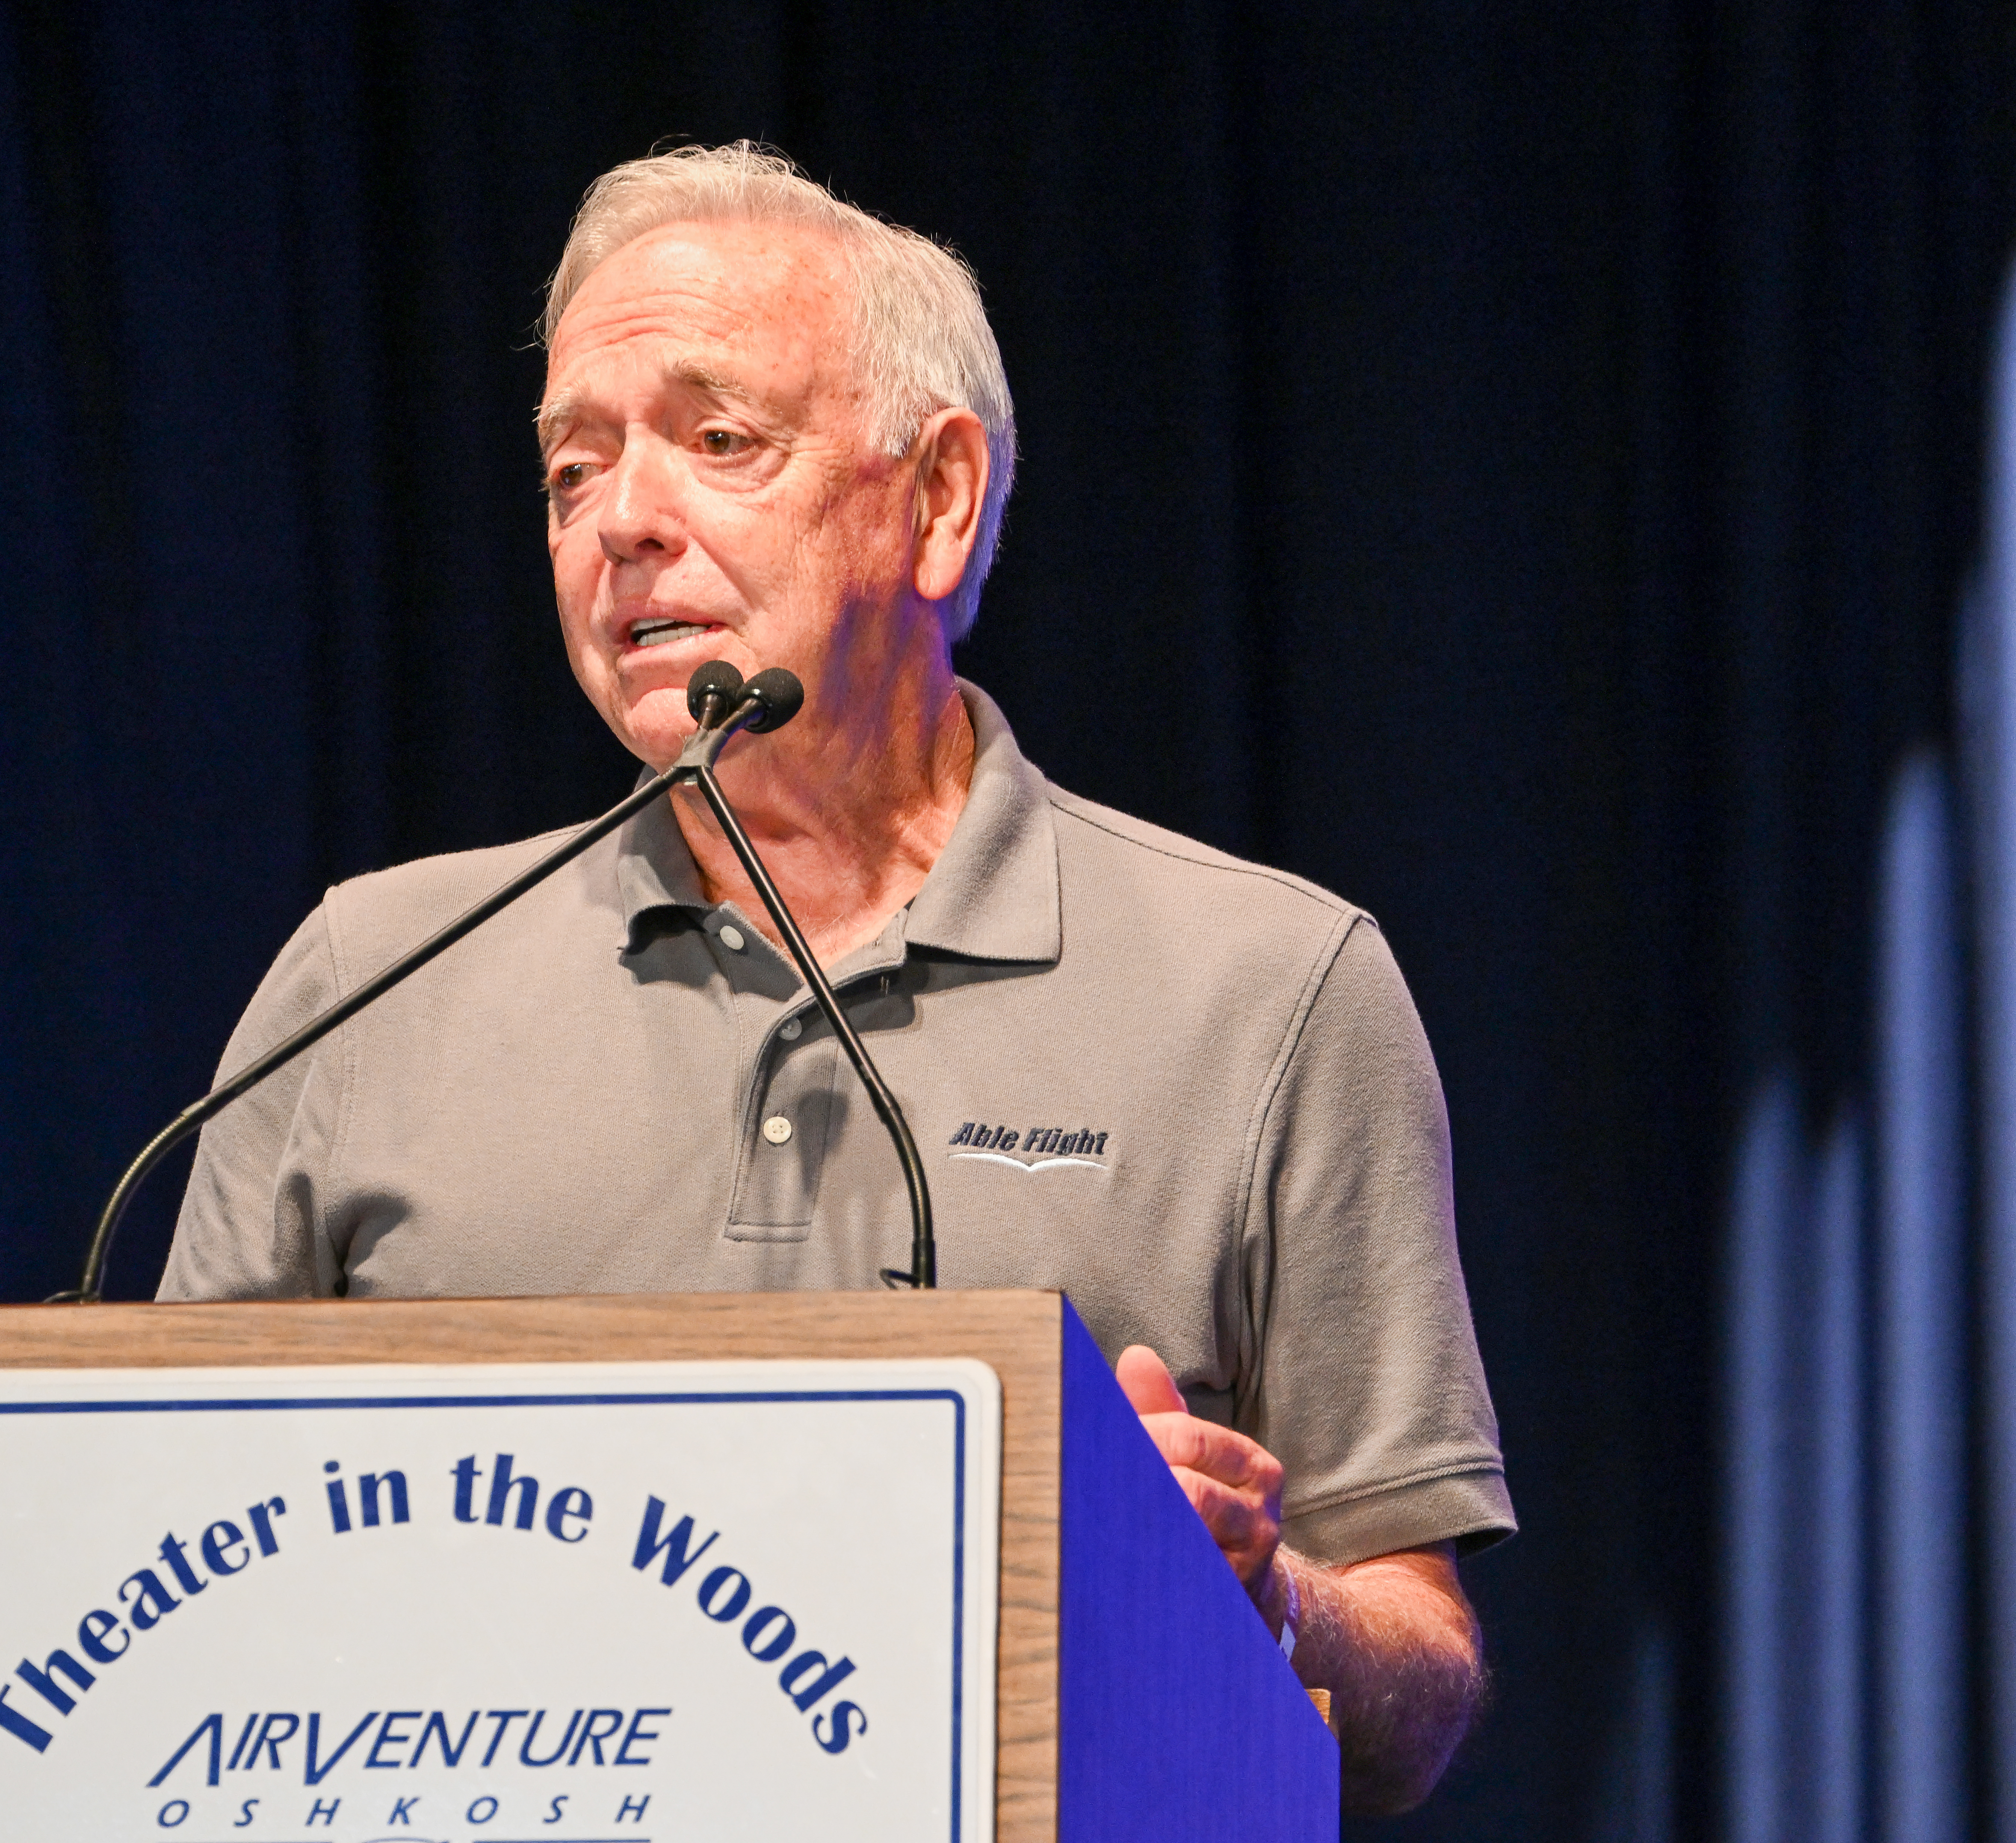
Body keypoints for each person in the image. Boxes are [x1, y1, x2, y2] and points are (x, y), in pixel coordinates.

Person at [161, 142, 1511, 1813]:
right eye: (571, 471)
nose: (621, 523)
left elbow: (1416, 1677)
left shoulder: (1269, 987)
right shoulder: (365, 982)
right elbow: (168, 1574)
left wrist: (1255, 1594)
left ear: (935, 499)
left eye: (716, 440)